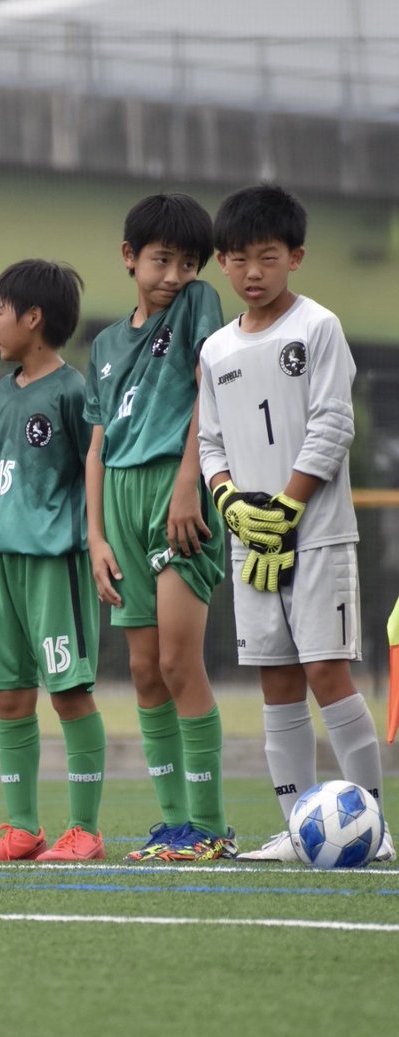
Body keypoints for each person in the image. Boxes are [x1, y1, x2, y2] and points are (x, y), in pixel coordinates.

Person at [198, 183, 391, 862]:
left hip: (316, 533)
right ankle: (298, 827)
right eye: (240, 258)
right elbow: (209, 442)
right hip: (251, 542)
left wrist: (286, 505)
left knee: (326, 672)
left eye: (268, 256)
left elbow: (333, 423)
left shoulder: (318, 327)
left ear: (296, 256)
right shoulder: (216, 348)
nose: (254, 272)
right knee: (275, 680)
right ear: (221, 261)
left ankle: (372, 825)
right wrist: (229, 503)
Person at [84, 193, 236, 862]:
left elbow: (212, 390)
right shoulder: (105, 344)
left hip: (183, 490)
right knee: (144, 670)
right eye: (161, 259)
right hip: (119, 494)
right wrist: (95, 536)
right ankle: (174, 825)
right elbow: (97, 443)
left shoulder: (199, 304)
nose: (174, 274)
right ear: (128, 257)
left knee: (178, 661)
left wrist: (188, 481)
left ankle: (210, 825)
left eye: (187, 262)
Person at [0, 259, 108, 862]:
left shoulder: (74, 391)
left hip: (54, 562)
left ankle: (85, 831)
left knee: (69, 693)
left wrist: (96, 541)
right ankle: (22, 827)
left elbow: (91, 470)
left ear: (33, 317)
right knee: (10, 696)